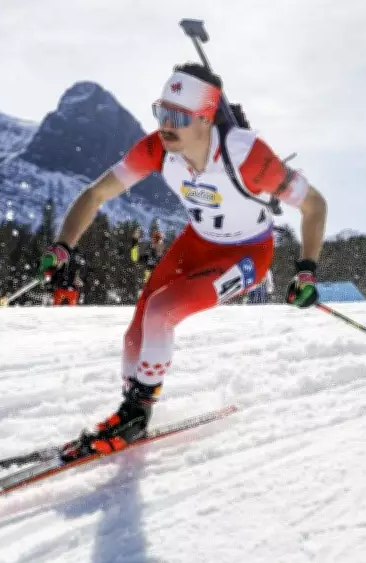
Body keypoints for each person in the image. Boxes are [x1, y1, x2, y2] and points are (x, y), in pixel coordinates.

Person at [38, 63, 327, 459]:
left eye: (178, 117)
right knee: (134, 337)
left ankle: (136, 415)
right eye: (162, 112)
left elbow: (314, 205)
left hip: (247, 254)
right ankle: (131, 408)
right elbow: (95, 195)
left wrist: (306, 270)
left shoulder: (247, 156)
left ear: (206, 119)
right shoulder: (157, 148)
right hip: (195, 243)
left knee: (161, 311)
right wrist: (62, 247)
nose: (165, 125)